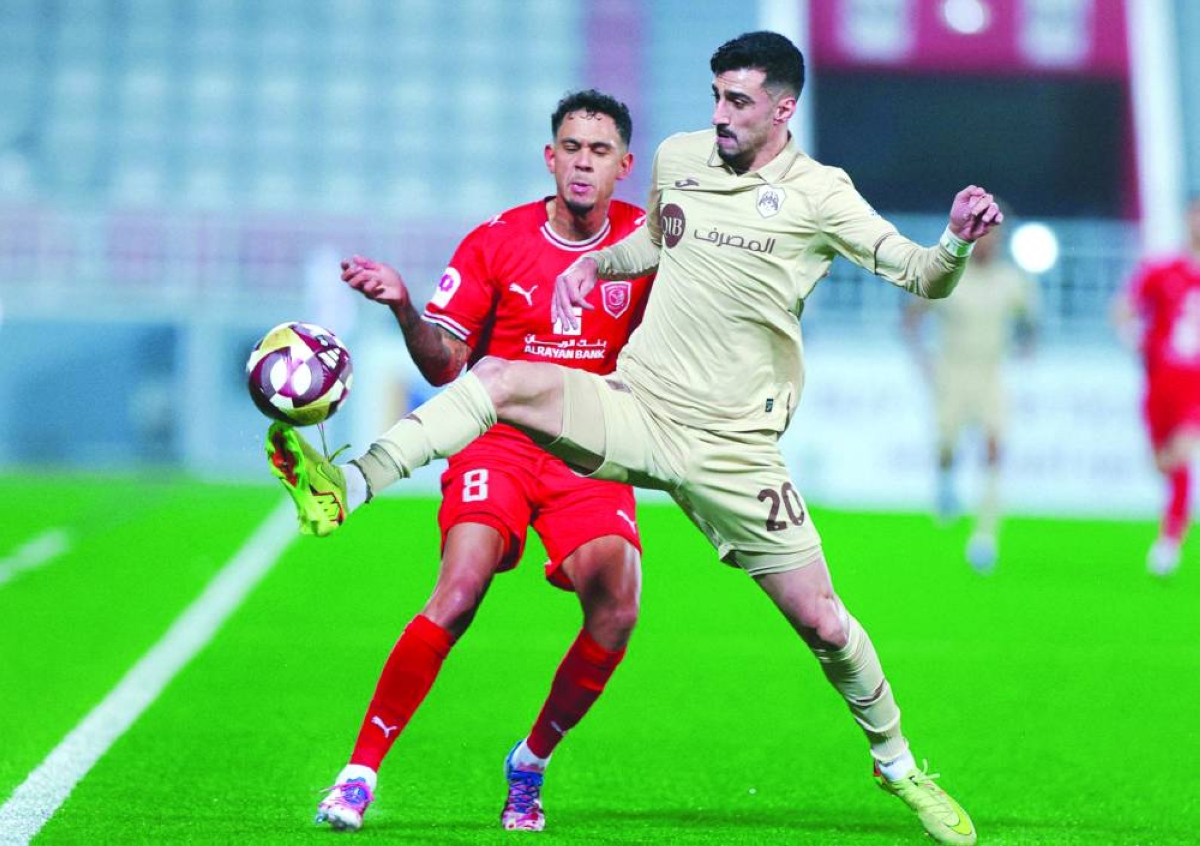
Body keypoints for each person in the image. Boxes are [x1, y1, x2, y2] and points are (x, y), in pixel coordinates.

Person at [269, 32, 998, 845]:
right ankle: (352, 482)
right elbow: (661, 234)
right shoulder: (682, 156)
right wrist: (599, 267)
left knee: (825, 624)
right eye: (715, 95)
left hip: (734, 450)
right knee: (504, 376)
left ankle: (896, 763)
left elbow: (921, 274)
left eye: (739, 101)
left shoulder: (822, 195)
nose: (718, 114)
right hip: (639, 405)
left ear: (783, 109)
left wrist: (958, 239)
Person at [293, 90, 654, 832]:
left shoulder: (648, 247)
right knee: (458, 592)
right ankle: (358, 774)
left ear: (624, 165)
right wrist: (403, 307)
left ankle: (531, 761)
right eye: (570, 148)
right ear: (549, 158)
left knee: (618, 608)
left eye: (599, 151)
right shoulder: (496, 242)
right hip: (500, 440)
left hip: (591, 450)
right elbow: (444, 365)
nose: (582, 163)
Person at [903, 214, 1038, 572]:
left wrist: (1027, 346)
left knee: (995, 447)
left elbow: (1030, 321)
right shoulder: (951, 273)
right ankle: (946, 481)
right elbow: (912, 315)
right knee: (947, 446)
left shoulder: (1011, 280)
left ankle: (985, 537)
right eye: (984, 236)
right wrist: (922, 360)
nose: (988, 243)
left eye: (994, 236)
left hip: (990, 374)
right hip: (951, 372)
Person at [1112, 194, 1200, 576]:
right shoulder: (1162, 270)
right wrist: (1133, 338)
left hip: (1195, 384)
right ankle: (1173, 522)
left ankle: (1169, 541)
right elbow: (1124, 308)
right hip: (1160, 381)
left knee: (1182, 455)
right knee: (1162, 462)